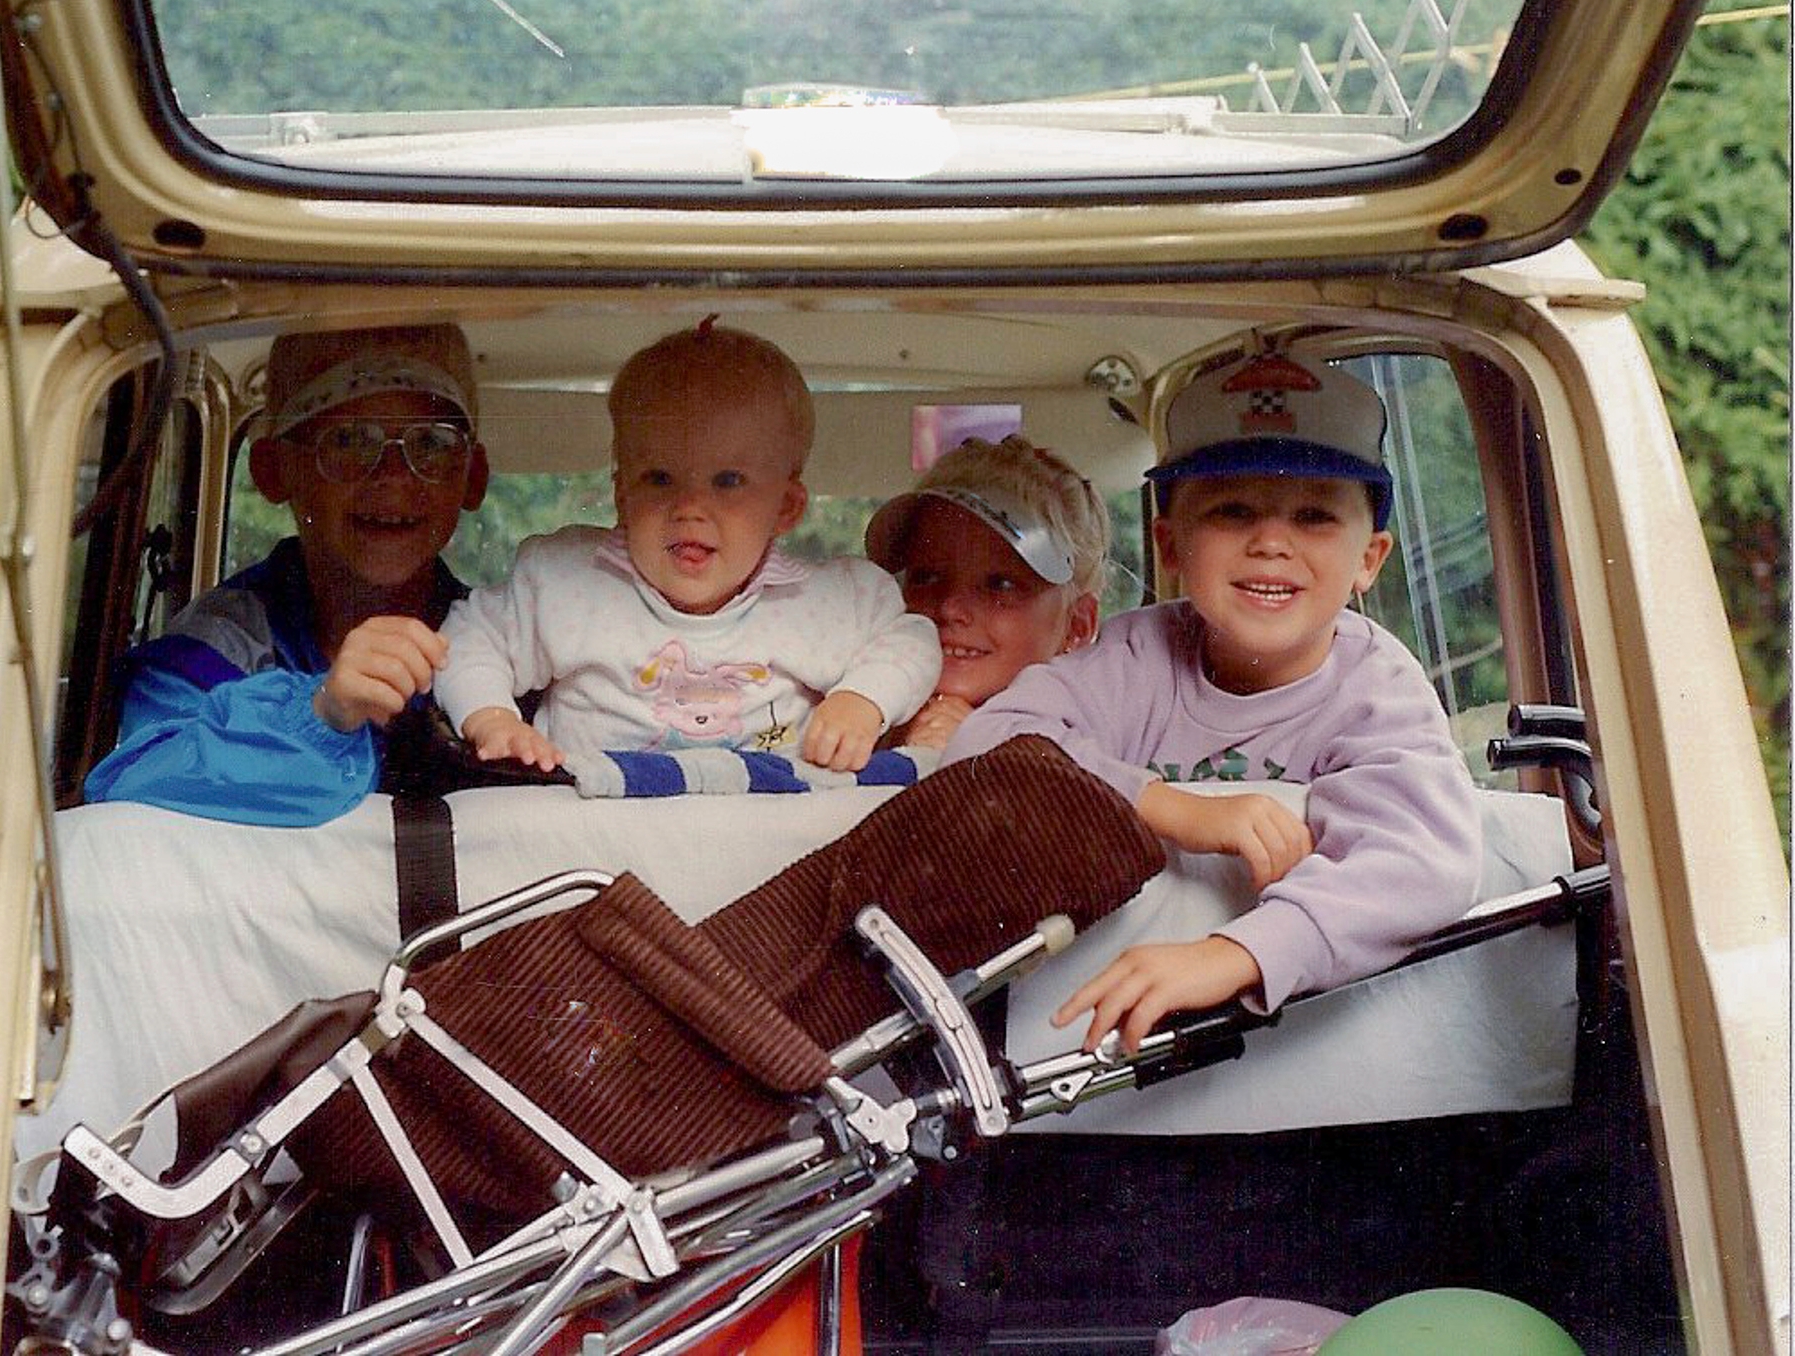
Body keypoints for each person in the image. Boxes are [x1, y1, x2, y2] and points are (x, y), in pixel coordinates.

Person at [943, 349, 1480, 1053]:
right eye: (1231, 511)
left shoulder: (1376, 686)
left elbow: (1423, 860)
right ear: (1170, 545)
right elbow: (983, 744)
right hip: (1092, 1046)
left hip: (1300, 1052)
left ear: (1369, 561)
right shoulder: (1134, 656)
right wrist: (1171, 808)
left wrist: (1235, 953)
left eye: (1314, 515)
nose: (1269, 542)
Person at [433, 320, 942, 774]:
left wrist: (861, 699)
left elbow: (913, 640)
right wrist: (491, 717)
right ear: (622, 496)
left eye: (727, 480)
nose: (690, 507)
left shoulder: (828, 602)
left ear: (786, 507)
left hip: (768, 848)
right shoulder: (566, 583)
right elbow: (468, 638)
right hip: (595, 842)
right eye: (659, 478)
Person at [83, 324, 495, 825]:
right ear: (274, 470)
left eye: (431, 443)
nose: (392, 474)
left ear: (473, 477)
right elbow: (129, 778)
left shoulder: (507, 643)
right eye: (348, 440)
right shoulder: (215, 648)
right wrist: (319, 715)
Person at [865, 434, 1110, 750]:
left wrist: (981, 750)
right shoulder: (849, 709)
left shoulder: (1094, 742)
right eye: (925, 576)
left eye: (1000, 585)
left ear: (1077, 626)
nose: (950, 607)